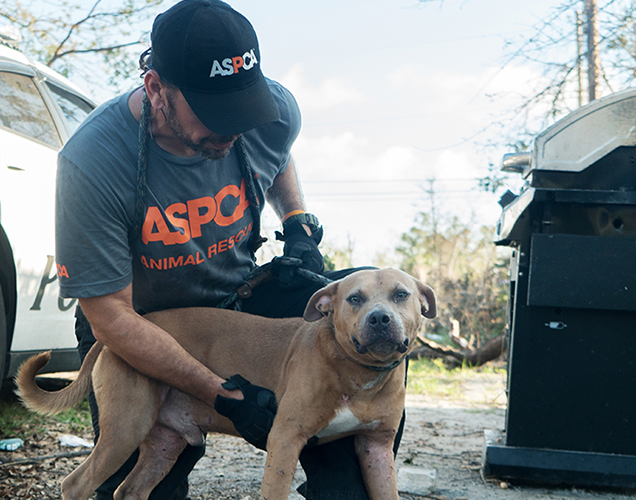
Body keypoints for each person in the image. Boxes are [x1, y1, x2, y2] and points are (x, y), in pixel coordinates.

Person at [54, 1, 399, 498]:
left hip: (239, 295)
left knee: (363, 301)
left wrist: (298, 222)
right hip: (142, 321)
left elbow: (275, 153)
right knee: (135, 486)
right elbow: (111, 316)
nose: (233, 129)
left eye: (244, 110)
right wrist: (223, 395)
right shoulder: (93, 162)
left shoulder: (274, 114)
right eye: (216, 115)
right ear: (156, 90)